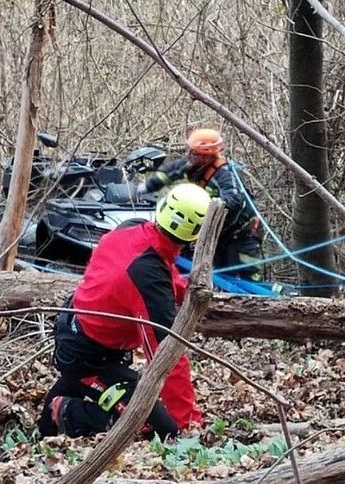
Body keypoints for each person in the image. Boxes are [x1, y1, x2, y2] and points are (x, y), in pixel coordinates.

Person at [39, 183, 210, 439]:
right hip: (87, 357)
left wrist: (184, 291)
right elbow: (166, 357)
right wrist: (187, 424)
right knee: (160, 429)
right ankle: (67, 410)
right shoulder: (147, 278)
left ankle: (71, 392)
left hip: (81, 336)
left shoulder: (132, 227)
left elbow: (158, 262)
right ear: (197, 234)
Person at [137, 127, 264, 282]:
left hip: (242, 234)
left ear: (207, 156)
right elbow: (169, 172)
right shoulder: (193, 164)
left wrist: (206, 207)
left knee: (246, 277)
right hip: (218, 234)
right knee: (219, 274)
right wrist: (146, 187)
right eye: (190, 151)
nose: (189, 156)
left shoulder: (225, 174)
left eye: (194, 153)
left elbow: (235, 200)